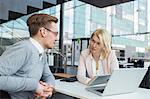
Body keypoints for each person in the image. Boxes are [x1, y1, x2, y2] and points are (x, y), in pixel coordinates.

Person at [0, 13, 58, 99]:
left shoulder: (42, 53)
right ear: (43, 32)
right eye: (55, 33)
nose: (56, 38)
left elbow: (48, 76)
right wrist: (35, 85)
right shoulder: (24, 48)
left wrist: (49, 88)